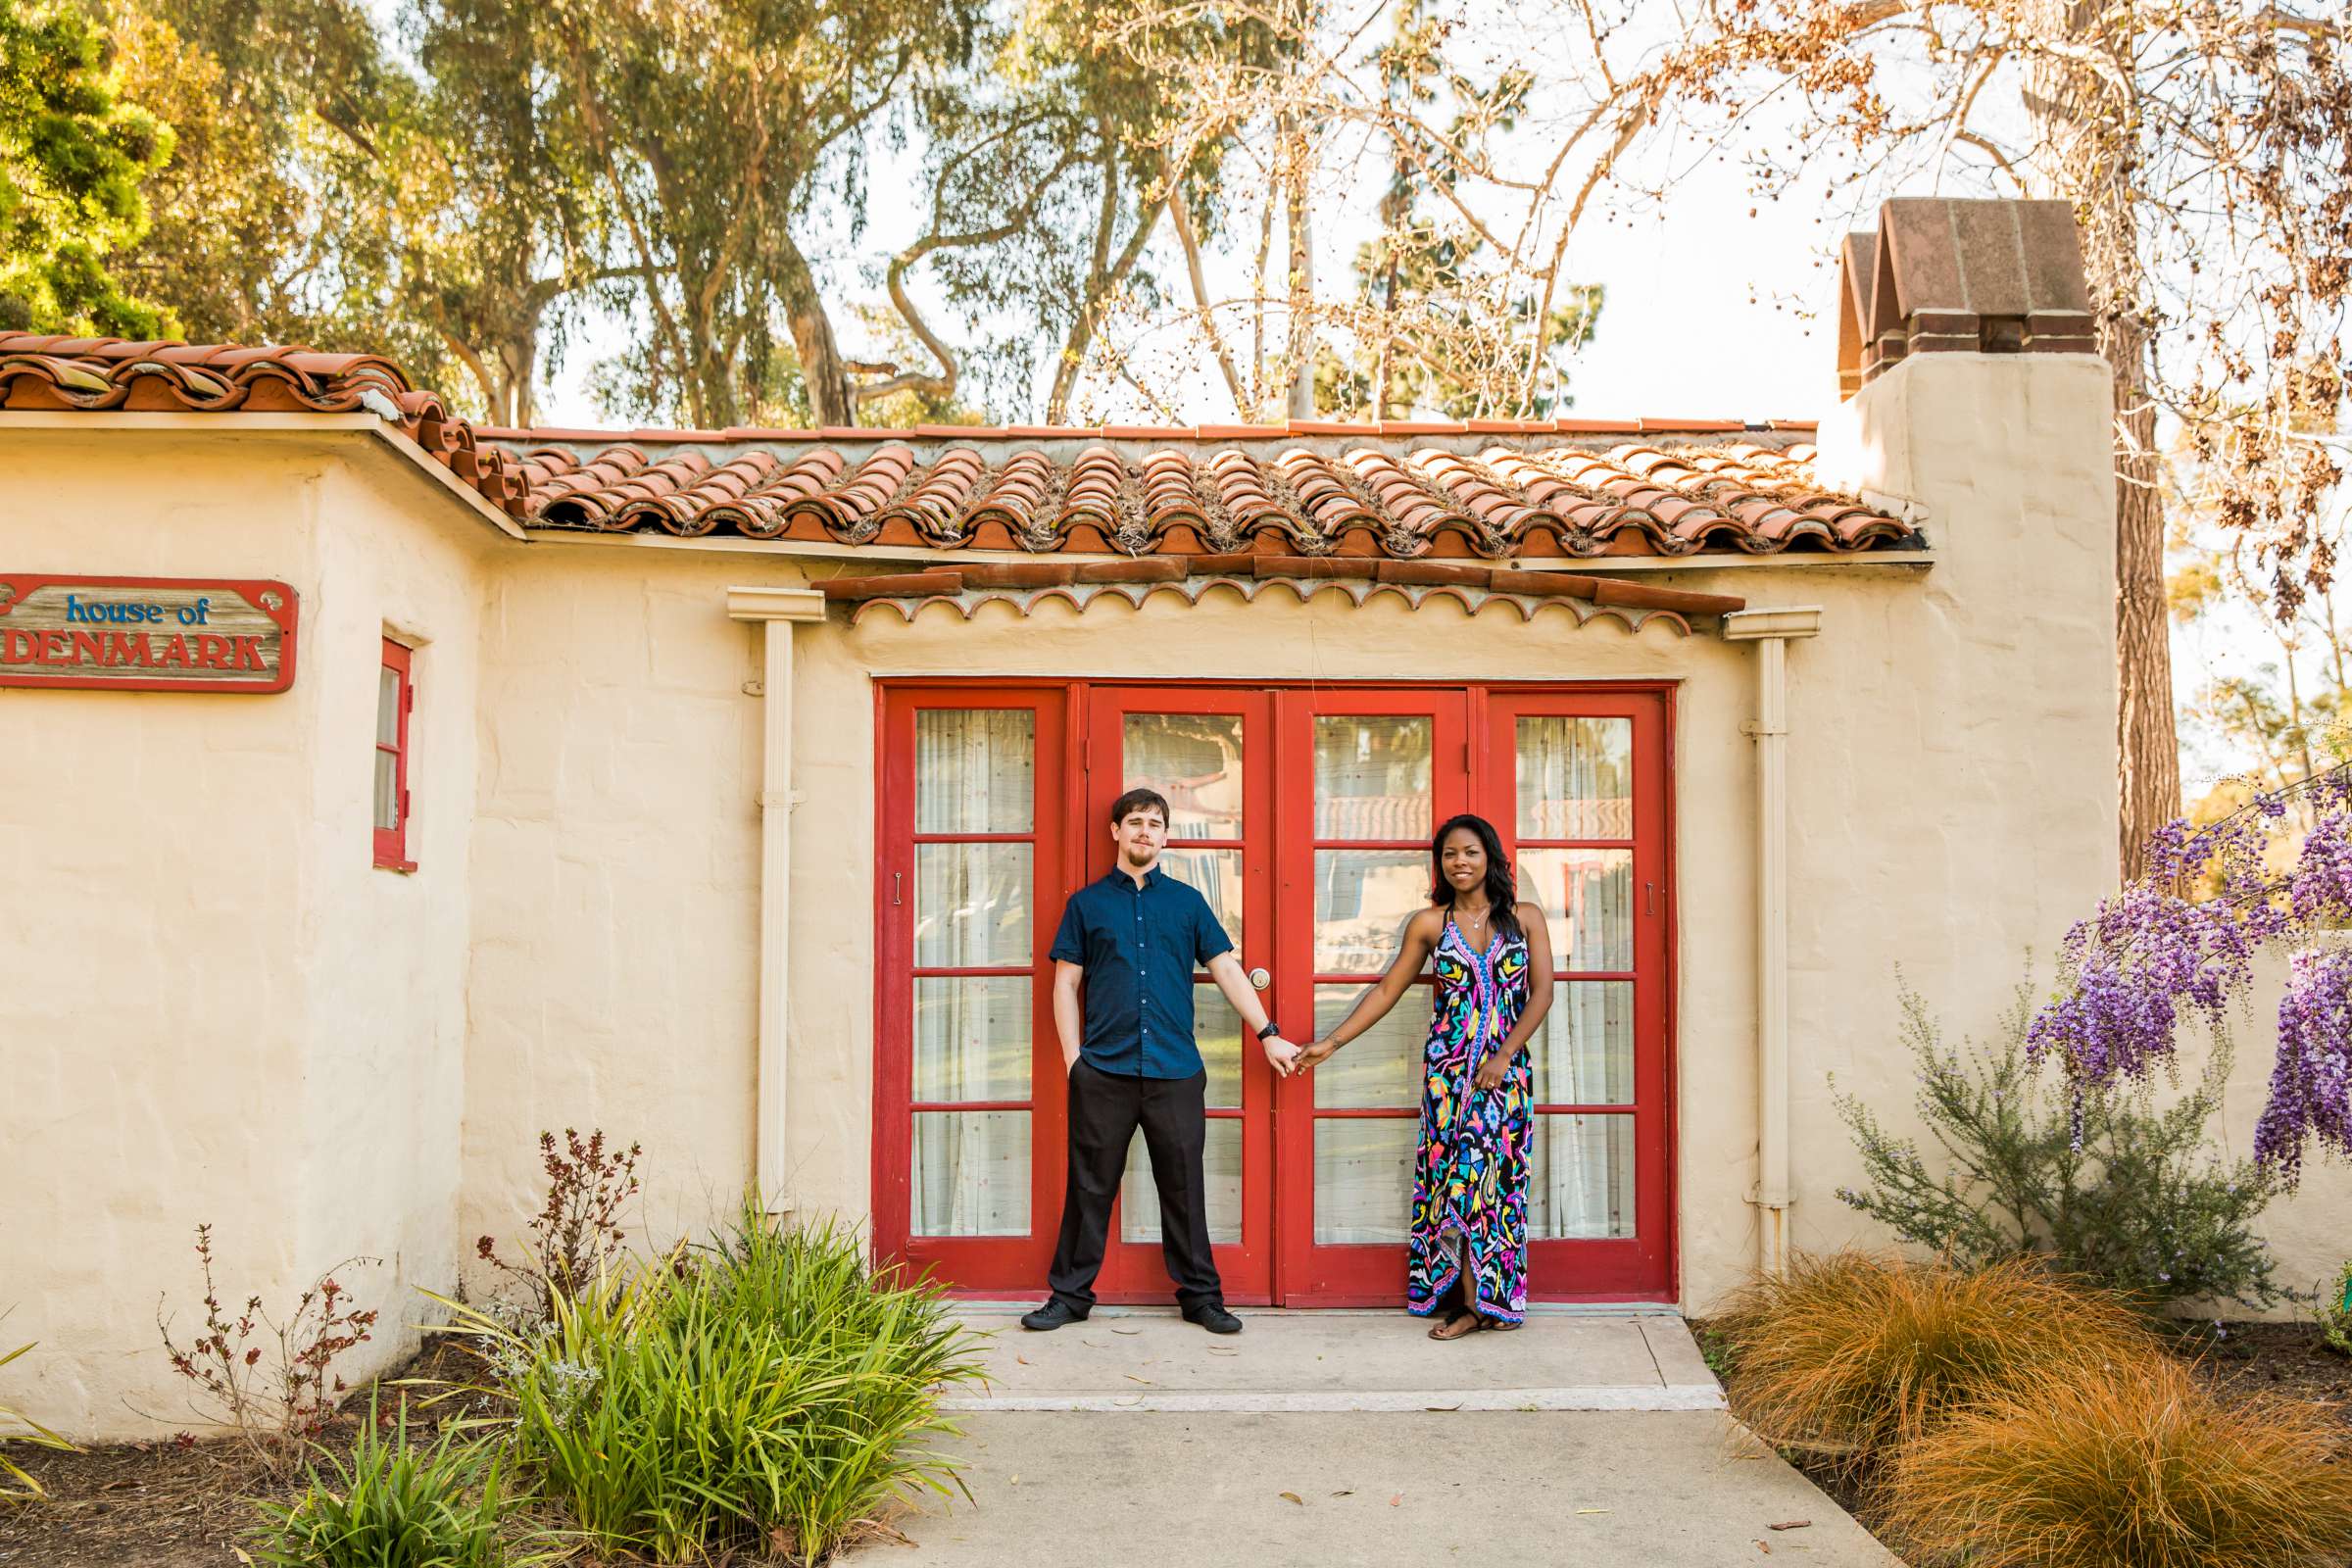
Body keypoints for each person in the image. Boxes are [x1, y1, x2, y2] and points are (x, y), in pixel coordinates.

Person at [1022, 786, 1301, 1335]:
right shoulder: (1086, 905)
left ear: (1166, 836)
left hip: (1175, 1071)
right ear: (1116, 832)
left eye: (1154, 823)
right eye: (1134, 822)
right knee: (1090, 1188)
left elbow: (1226, 971)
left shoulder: (1188, 904)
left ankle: (1201, 1298)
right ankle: (1070, 1297)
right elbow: (1065, 986)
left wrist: (1268, 1032)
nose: (1144, 831)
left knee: (1183, 1187)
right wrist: (1074, 1061)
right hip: (1103, 1071)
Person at [1296, 813, 1554, 1338]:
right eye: (1450, 854)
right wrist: (1331, 1043)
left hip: (1504, 1077)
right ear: (1440, 863)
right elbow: (1388, 991)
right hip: (1448, 1078)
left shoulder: (1525, 918)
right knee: (1454, 1183)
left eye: (1471, 852)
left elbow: (1543, 993)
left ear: (1491, 859)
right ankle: (1470, 1303)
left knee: (1495, 1184)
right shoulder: (1429, 924)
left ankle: (1487, 1301)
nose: (1460, 862)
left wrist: (1504, 1055)